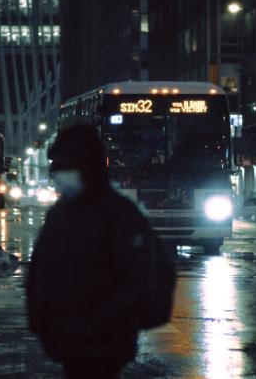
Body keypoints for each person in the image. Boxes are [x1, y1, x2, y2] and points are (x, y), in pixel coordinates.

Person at [26, 125, 157, 379]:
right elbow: (42, 268)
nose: (58, 174)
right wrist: (43, 324)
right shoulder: (62, 211)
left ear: (86, 166)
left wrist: (90, 326)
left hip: (102, 344)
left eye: (65, 166)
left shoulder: (118, 213)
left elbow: (136, 281)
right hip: (70, 341)